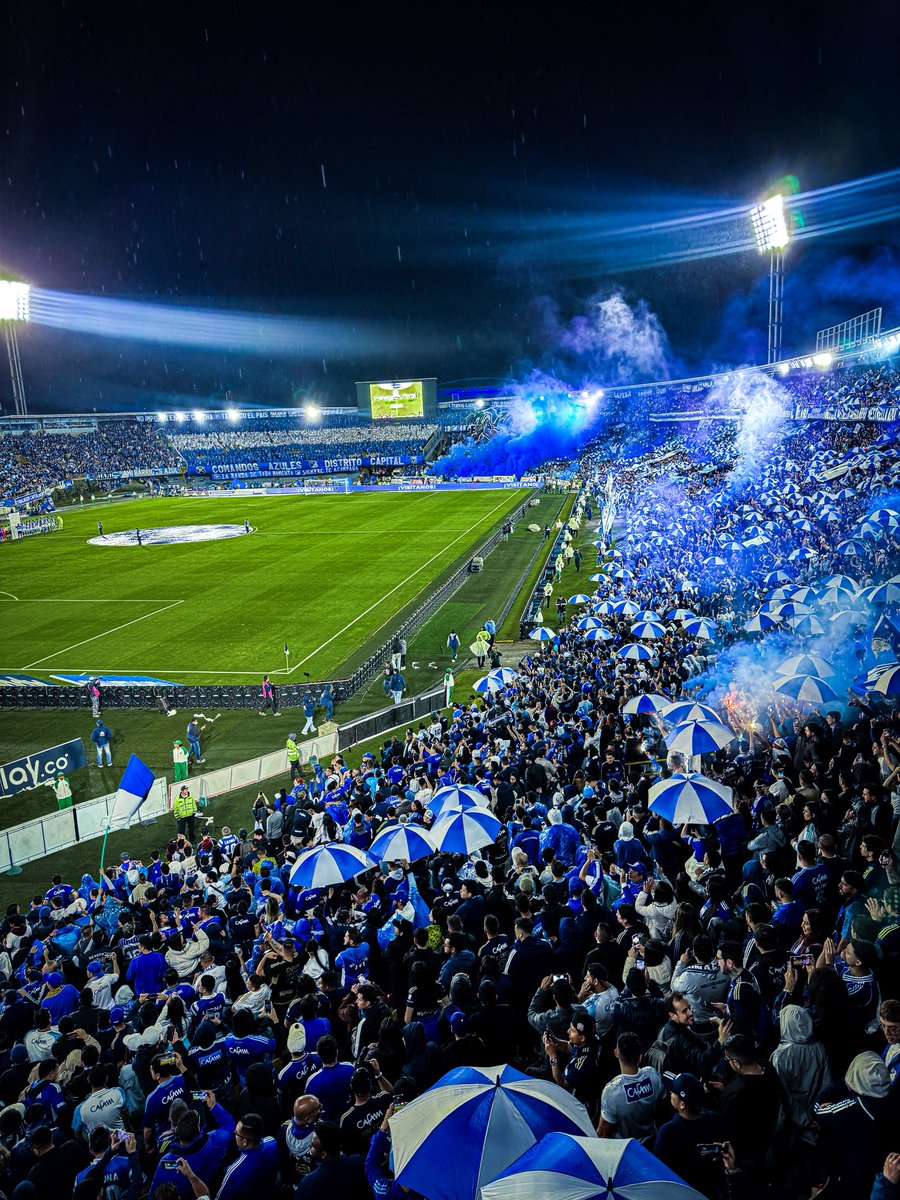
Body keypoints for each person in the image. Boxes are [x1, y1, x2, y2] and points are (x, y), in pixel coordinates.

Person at [597, 1030, 665, 1140]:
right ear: (640, 1057)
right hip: (651, 1143)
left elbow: (602, 1134)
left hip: (625, 1148)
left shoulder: (612, 1091)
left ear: (616, 1053)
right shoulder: (653, 1076)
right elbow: (663, 1108)